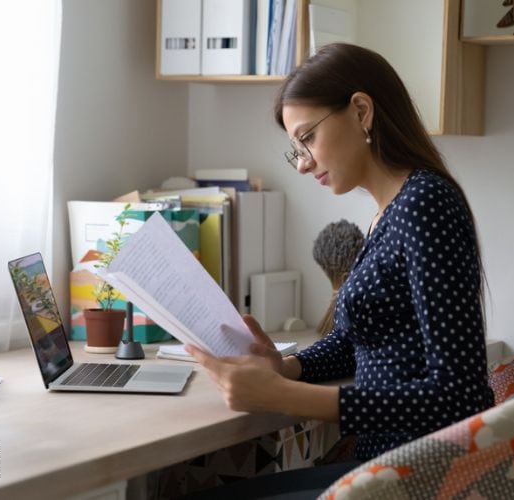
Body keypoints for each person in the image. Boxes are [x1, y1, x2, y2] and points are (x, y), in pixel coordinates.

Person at [184, 43, 494, 498]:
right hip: (384, 467)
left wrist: (283, 397)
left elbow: (460, 394)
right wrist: (286, 368)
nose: (304, 162)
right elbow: (364, 342)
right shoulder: (390, 211)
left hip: (418, 478)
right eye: (297, 149)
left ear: (362, 111)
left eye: (307, 138)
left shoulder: (425, 204)